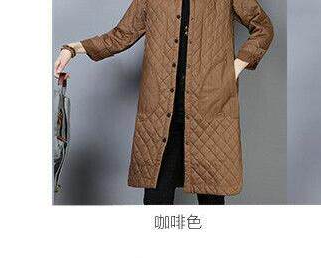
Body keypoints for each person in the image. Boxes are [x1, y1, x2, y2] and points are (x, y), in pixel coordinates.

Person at [53, 0, 273, 204]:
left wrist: (234, 68)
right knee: (156, 201)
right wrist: (72, 49)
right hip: (162, 119)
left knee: (211, 200)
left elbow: (263, 28)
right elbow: (120, 35)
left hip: (210, 110)